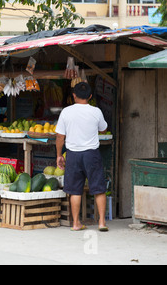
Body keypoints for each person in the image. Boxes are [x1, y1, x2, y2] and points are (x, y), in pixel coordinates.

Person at [55, 82, 109, 232]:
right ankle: (102, 222)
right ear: (90, 96)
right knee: (98, 188)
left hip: (72, 155)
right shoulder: (96, 111)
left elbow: (60, 136)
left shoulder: (66, 112)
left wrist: (59, 155)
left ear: (74, 95)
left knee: (75, 190)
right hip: (91, 154)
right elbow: (104, 129)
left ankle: (76, 223)